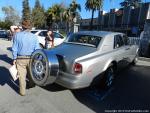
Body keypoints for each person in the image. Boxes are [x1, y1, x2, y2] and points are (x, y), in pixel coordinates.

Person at [12, 20, 40, 96]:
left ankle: (22, 92)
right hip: (31, 58)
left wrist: (14, 58)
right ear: (30, 27)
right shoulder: (34, 36)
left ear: (22, 26)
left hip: (20, 58)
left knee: (21, 76)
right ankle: (31, 84)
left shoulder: (17, 35)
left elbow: (14, 48)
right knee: (31, 73)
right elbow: (37, 49)